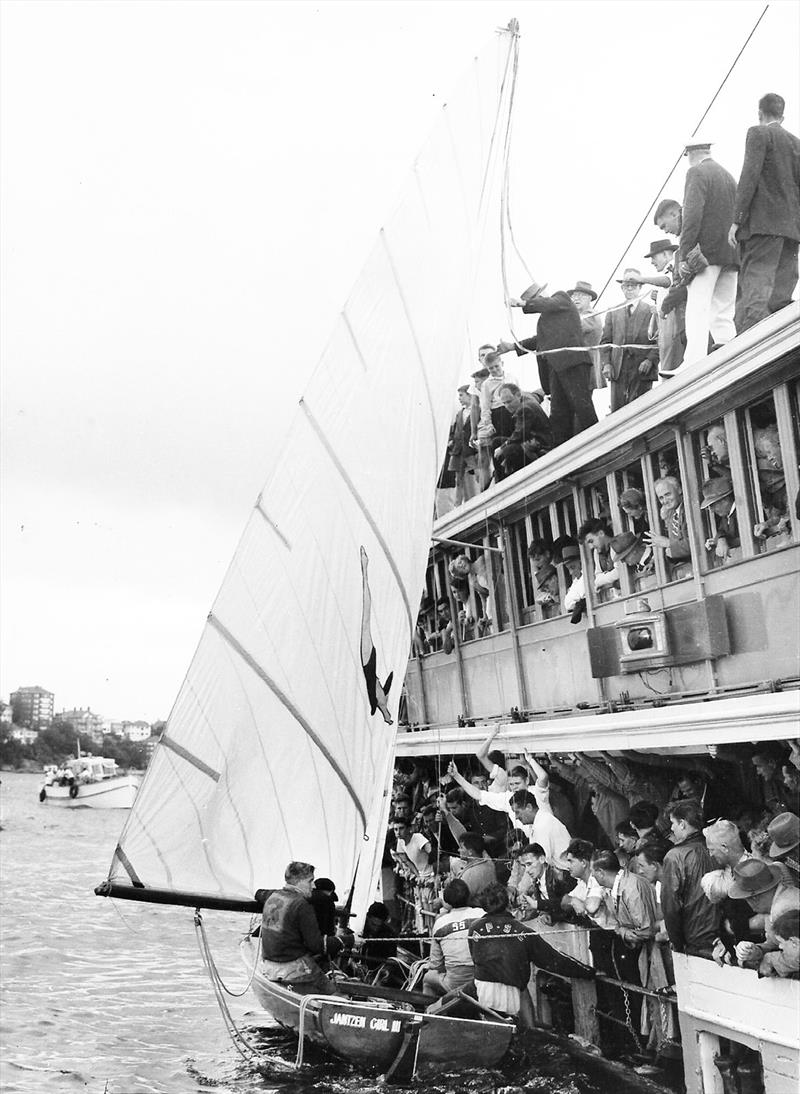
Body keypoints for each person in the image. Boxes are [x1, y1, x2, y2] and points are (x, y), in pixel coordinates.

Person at [662, 141, 739, 369]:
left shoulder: (696, 172)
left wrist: (684, 253)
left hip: (706, 254)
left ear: (689, 153)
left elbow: (692, 216)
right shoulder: (727, 174)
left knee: (698, 306)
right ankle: (729, 352)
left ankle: (693, 362)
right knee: (724, 308)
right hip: (731, 252)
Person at [730, 93, 800, 332]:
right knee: (781, 297)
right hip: (791, 231)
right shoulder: (796, 142)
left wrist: (737, 220)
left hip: (762, 228)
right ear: (783, 116)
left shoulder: (758, 133)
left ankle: (749, 346)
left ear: (760, 113)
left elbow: (748, 177)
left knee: (755, 291)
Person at [500, 280, 598, 445]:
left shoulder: (562, 298)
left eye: (537, 299)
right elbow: (538, 340)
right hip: (555, 368)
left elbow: (549, 303)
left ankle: (599, 442)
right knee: (558, 413)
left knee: (582, 407)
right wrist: (512, 347)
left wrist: (523, 303)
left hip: (572, 364)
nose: (537, 303)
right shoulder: (548, 318)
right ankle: (561, 450)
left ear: (543, 295)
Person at [468, 882, 540, 1027]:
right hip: (511, 994)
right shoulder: (521, 929)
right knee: (521, 987)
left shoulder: (474, 928)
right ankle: (532, 1030)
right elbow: (548, 958)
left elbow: (475, 958)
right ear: (507, 903)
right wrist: (584, 970)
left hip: (484, 991)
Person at [260, 861, 336, 994]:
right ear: (299, 881)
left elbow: (258, 893)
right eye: (310, 881)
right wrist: (347, 940)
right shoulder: (302, 905)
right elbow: (317, 946)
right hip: (291, 967)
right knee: (333, 992)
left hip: (268, 966)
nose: (313, 886)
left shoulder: (272, 896)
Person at [661, 800, 719, 958]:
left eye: (672, 823)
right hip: (723, 933)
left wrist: (677, 942)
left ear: (682, 823)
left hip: (694, 937)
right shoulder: (717, 846)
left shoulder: (674, 857)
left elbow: (670, 906)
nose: (671, 828)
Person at [600, 269, 659, 411]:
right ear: (622, 288)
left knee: (641, 411)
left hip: (642, 370)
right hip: (618, 370)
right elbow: (605, 341)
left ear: (640, 287)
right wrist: (606, 364)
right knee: (618, 412)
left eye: (634, 285)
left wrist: (650, 360)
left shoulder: (651, 311)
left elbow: (659, 340)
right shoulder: (613, 312)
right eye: (627, 285)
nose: (630, 288)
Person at [423, 878, 483, 998]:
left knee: (428, 979)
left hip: (455, 983)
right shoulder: (481, 914)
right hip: (481, 978)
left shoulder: (440, 923)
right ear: (468, 896)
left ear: (447, 900)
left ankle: (432, 1013)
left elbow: (435, 964)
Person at [635, 239, 686, 373]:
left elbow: (667, 281)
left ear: (665, 254)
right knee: (667, 360)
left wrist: (642, 280)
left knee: (670, 362)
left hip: (673, 322)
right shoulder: (666, 270)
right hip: (665, 324)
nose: (652, 261)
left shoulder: (673, 267)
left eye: (653, 257)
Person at [492, 382, 553, 478]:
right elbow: (539, 393)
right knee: (496, 442)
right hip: (531, 438)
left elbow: (520, 433)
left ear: (518, 395)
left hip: (540, 444)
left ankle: (519, 479)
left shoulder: (524, 408)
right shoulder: (527, 397)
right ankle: (500, 479)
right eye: (504, 403)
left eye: (509, 401)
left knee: (508, 450)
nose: (507, 406)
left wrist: (502, 447)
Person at [515, 842, 576, 923]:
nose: (527, 870)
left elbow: (566, 905)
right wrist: (544, 913)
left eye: (529, 864)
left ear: (542, 859)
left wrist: (536, 904)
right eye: (524, 866)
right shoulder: (537, 881)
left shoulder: (561, 877)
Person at [510, 789, 572, 865]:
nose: (516, 817)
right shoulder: (537, 822)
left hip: (565, 873)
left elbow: (541, 862)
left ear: (529, 807)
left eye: (517, 812)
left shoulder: (543, 824)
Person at [645, 475, 691, 574]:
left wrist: (668, 543)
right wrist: (654, 561)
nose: (665, 501)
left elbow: (693, 544)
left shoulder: (689, 509)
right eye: (661, 498)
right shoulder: (671, 514)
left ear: (679, 490)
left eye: (668, 494)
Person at [568, 280, 604, 388]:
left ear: (589, 298)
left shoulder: (591, 316)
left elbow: (569, 329)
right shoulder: (578, 315)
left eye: (581, 295)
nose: (576, 298)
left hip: (585, 369)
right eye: (574, 295)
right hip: (577, 368)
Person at [449, 385, 478, 506]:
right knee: (459, 480)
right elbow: (455, 430)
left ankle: (474, 503)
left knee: (474, 479)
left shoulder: (477, 410)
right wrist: (452, 442)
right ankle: (458, 505)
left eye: (461, 395)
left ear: (469, 395)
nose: (459, 398)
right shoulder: (459, 413)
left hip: (471, 451)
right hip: (459, 451)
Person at [700, 472, 739, 562]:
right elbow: (721, 531)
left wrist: (724, 542)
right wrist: (719, 540)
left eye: (713, 505)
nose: (712, 510)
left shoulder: (740, 512)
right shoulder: (726, 517)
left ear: (725, 500)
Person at [449, 831, 497, 901]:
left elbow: (456, 900)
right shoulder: (488, 861)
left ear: (470, 852)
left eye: (461, 847)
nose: (458, 850)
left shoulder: (470, 874)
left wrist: (441, 901)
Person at [577, 518, 620, 596]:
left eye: (591, 541)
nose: (590, 547)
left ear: (601, 533)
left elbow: (619, 572)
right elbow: (597, 577)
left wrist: (601, 579)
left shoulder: (616, 545)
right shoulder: (596, 553)